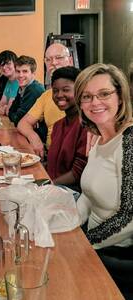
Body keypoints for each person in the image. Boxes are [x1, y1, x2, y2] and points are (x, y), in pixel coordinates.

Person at [75, 63, 133, 298]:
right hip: (94, 243)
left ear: (120, 96)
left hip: (119, 257)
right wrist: (69, 224)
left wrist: (84, 244)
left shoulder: (129, 141)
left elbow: (129, 217)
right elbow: (88, 195)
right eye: (87, 96)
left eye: (104, 94)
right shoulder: (100, 138)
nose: (95, 102)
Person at [17, 43, 73, 159]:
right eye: (48, 60)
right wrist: (34, 137)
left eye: (59, 58)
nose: (53, 63)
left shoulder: (84, 91)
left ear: (70, 60)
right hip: (50, 155)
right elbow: (23, 123)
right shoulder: (47, 95)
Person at [47, 66, 87, 191]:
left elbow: (77, 173)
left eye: (66, 90)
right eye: (55, 90)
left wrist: (48, 185)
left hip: (72, 195)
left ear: (79, 91)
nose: (59, 95)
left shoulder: (86, 126)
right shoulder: (58, 125)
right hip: (52, 188)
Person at [8, 55, 45, 127]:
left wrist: (14, 115)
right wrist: (13, 115)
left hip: (38, 135)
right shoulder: (22, 87)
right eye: (18, 71)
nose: (20, 75)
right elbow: (11, 112)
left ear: (33, 74)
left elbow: (18, 119)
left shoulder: (34, 90)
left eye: (25, 71)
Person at [0, 50, 18, 115]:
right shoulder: (9, 81)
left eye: (8, 64)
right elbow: (0, 105)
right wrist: (4, 107)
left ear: (15, 64)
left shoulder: (19, 82)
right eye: (2, 65)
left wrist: (5, 108)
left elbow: (9, 111)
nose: (4, 67)